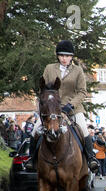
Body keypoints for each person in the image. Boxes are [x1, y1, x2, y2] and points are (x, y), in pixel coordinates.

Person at [28, 40, 98, 172]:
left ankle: (91, 159)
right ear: (58, 56)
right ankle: (31, 159)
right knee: (35, 129)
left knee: (83, 129)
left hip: (72, 109)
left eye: (67, 56)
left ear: (71, 57)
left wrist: (70, 106)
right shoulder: (49, 68)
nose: (64, 59)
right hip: (52, 109)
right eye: (62, 56)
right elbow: (43, 89)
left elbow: (82, 92)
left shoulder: (78, 71)